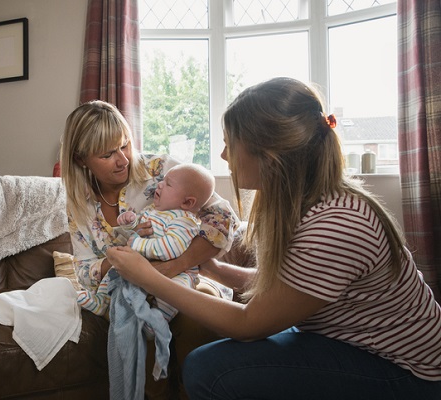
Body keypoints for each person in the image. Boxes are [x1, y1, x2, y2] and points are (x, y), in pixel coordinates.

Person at [106, 77, 441, 399]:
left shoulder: (336, 226)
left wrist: (147, 276)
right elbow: (286, 286)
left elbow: (248, 323)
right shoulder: (306, 203)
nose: (224, 156)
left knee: (207, 369)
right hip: (348, 342)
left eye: (229, 145)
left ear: (269, 157)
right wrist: (211, 268)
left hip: (406, 372)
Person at [59, 100, 240, 399]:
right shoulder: (78, 203)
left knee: (198, 313)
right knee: (134, 326)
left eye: (125, 145)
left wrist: (172, 267)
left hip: (185, 281)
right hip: (127, 293)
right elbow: (84, 272)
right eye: (107, 154)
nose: (123, 160)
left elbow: (223, 221)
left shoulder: (163, 170)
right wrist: (118, 258)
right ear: (81, 160)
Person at [78, 163, 216, 335]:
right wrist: (131, 222)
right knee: (116, 267)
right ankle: (101, 301)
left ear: (187, 202)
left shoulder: (185, 221)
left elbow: (170, 249)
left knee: (174, 293)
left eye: (168, 184)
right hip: (145, 263)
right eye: (163, 180)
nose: (160, 184)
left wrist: (136, 244)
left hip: (177, 271)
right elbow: (140, 228)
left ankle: (155, 324)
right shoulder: (153, 210)